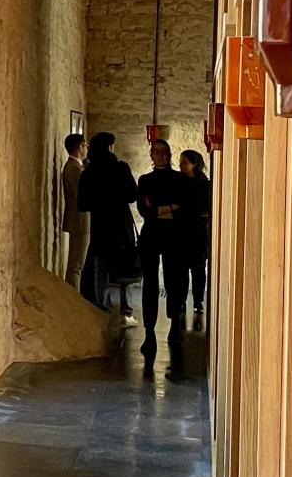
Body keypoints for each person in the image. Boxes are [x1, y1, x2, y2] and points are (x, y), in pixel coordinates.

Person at [136, 137, 193, 354]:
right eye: (156, 151)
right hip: (151, 235)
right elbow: (144, 211)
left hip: (174, 235)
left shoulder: (180, 179)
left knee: (173, 280)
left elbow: (185, 209)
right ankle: (149, 331)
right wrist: (170, 207)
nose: (160, 155)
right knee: (150, 283)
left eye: (163, 151)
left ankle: (174, 323)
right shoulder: (145, 180)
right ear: (151, 155)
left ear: (169, 154)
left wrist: (157, 209)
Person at [76, 132, 139, 316]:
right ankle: (125, 305)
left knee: (101, 268)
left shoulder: (88, 173)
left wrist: (100, 200)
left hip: (100, 224)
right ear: (110, 147)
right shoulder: (121, 168)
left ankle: (100, 306)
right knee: (125, 266)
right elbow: (132, 195)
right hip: (121, 223)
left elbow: (82, 204)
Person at [179, 149, 212, 331]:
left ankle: (198, 301)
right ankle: (182, 301)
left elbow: (201, 208)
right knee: (182, 268)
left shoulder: (204, 184)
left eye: (184, 162)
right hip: (184, 231)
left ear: (193, 164)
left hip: (199, 232)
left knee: (198, 268)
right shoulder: (180, 182)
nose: (181, 165)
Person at [60, 133, 87, 287]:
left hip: (79, 221)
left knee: (77, 265)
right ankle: (72, 296)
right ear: (79, 148)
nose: (87, 149)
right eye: (85, 146)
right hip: (80, 221)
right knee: (76, 266)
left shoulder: (76, 166)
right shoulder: (74, 168)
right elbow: (82, 196)